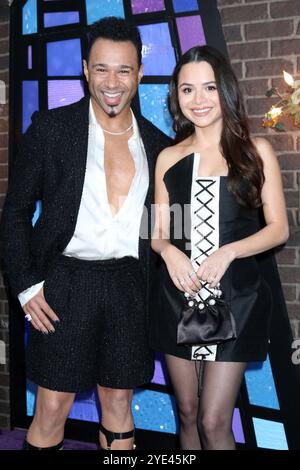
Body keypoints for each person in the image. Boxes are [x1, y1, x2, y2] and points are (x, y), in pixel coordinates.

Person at [1, 17, 171, 450]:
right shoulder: (51, 129)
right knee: (53, 406)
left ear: (139, 74)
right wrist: (24, 287)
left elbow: (168, 231)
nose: (112, 82)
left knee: (118, 402)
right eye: (101, 69)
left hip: (129, 287)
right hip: (64, 285)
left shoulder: (159, 145)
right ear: (84, 69)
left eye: (124, 70)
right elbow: (15, 213)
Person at [150, 45, 289, 450]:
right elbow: (156, 231)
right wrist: (167, 251)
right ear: (176, 96)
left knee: (214, 420)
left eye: (208, 87)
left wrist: (229, 251)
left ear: (224, 89)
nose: (198, 100)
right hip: (178, 297)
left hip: (237, 299)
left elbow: (279, 228)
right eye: (187, 90)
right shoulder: (168, 157)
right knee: (189, 413)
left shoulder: (256, 150)